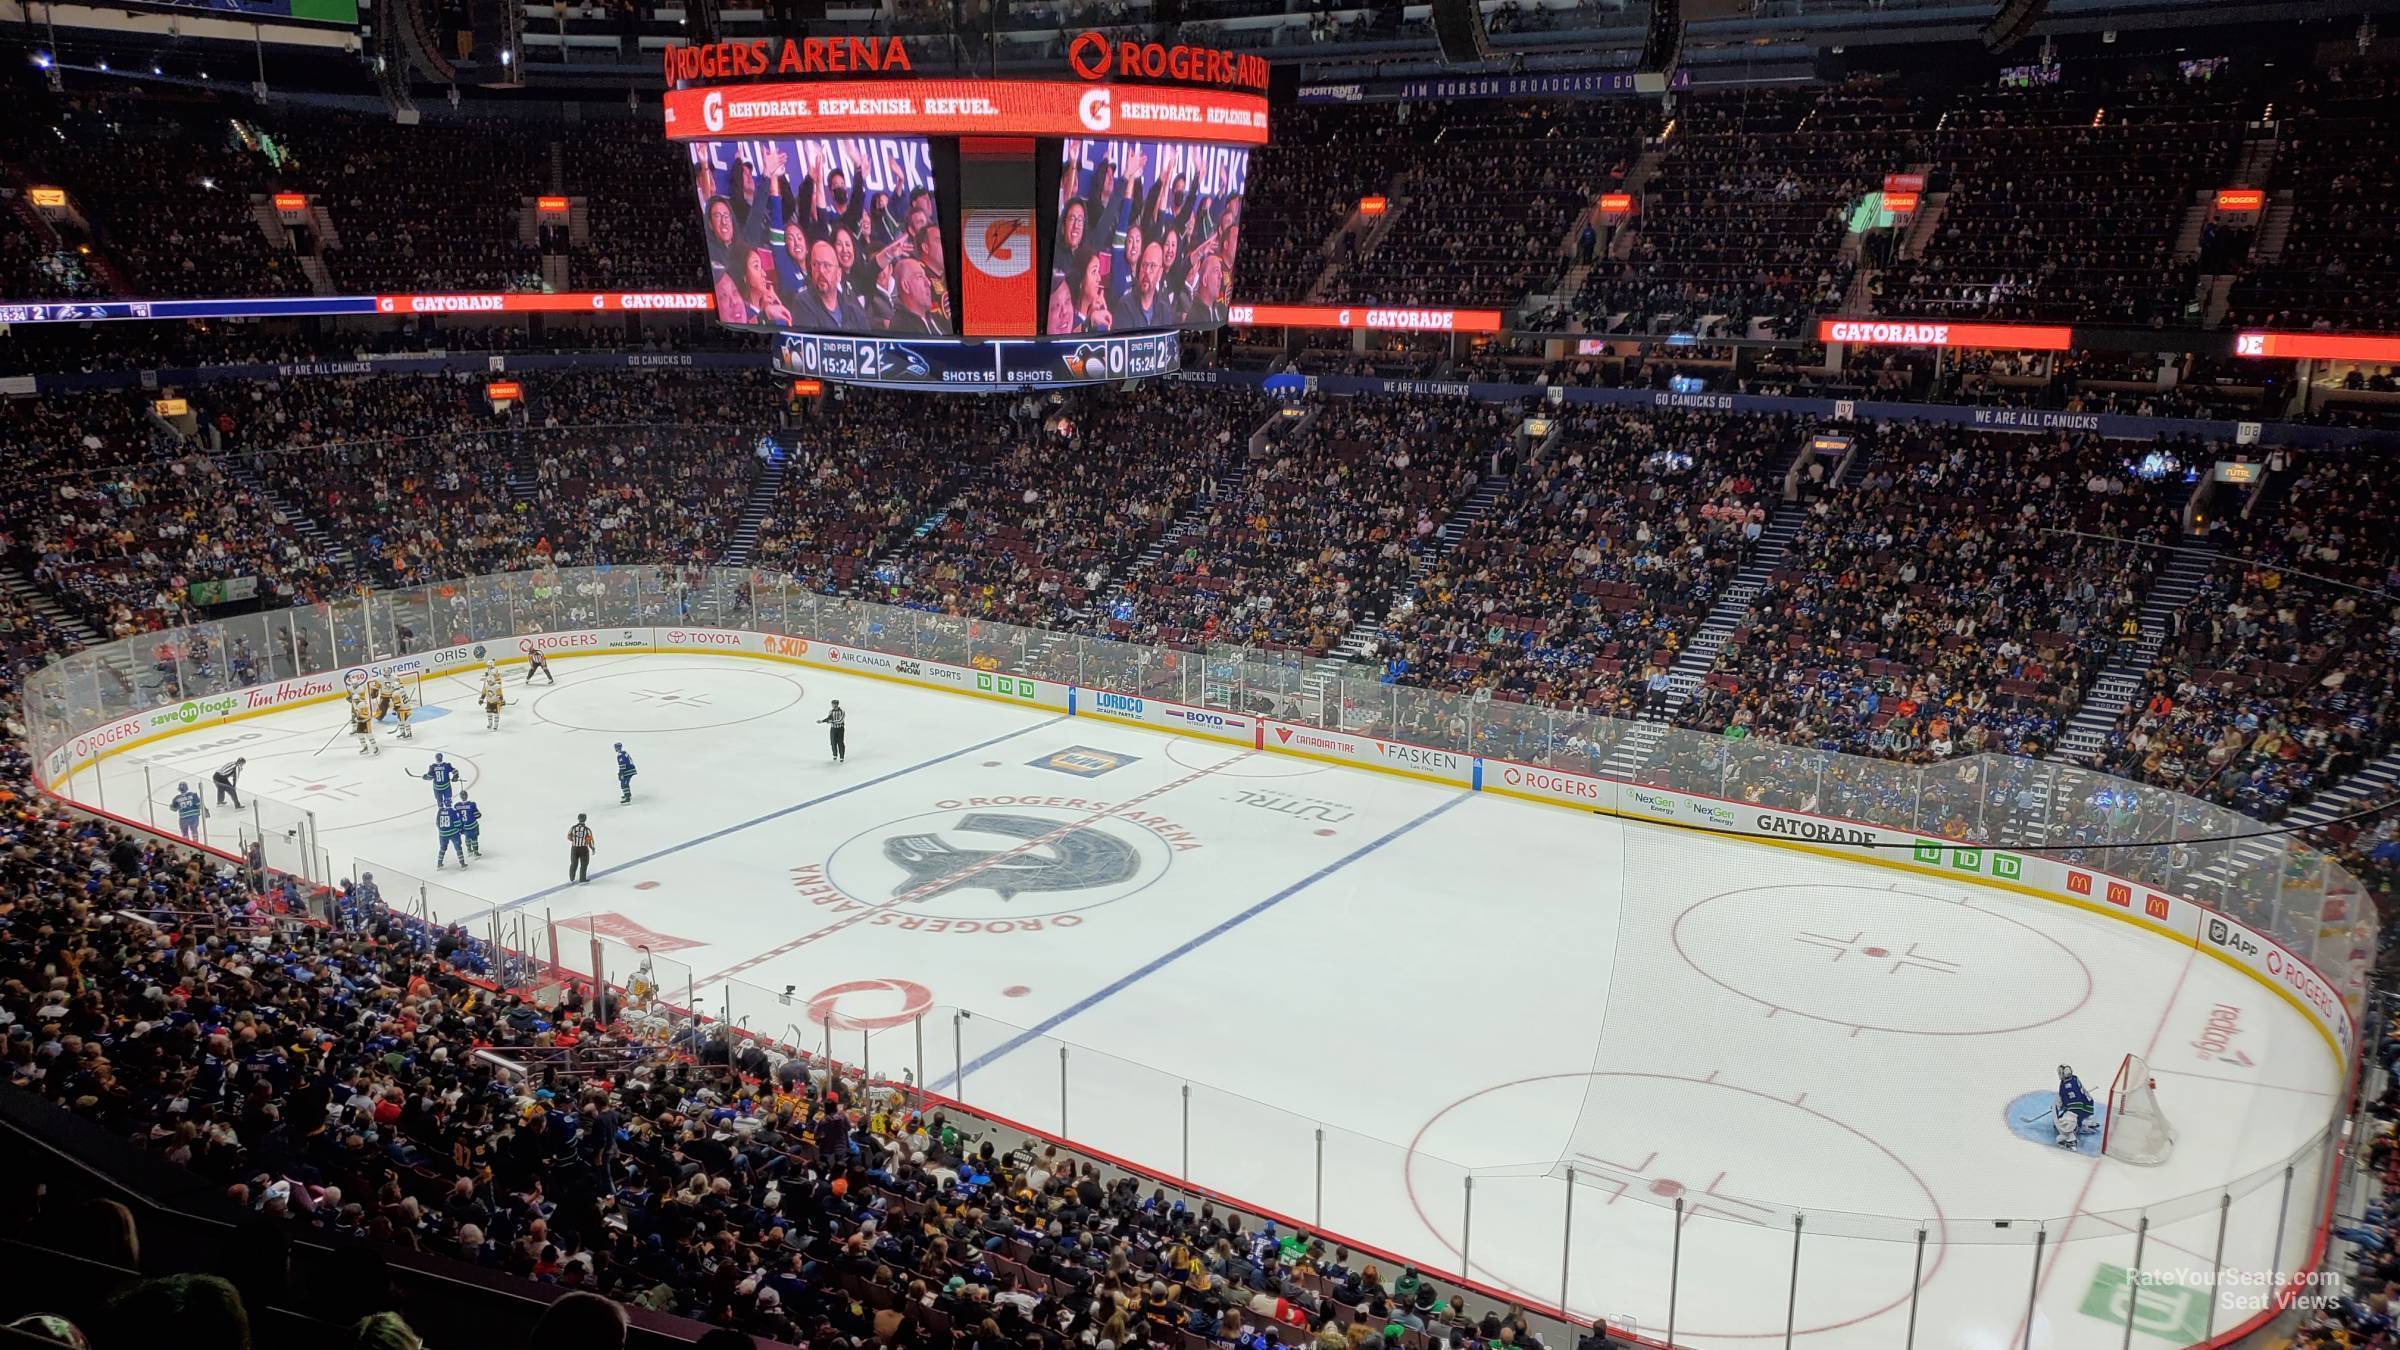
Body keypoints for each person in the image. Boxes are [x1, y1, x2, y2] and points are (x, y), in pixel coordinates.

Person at [792, 238, 867, 331]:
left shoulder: (854, 311)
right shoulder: (803, 303)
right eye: (815, 265)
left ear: (838, 274)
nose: (821, 271)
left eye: (826, 266)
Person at [2054, 1063, 2095, 1147]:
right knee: (2077, 1114)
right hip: (2087, 1107)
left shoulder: (2065, 1085)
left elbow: (2066, 1101)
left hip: (2076, 1108)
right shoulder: (2075, 1078)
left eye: (2060, 1073)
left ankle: (2070, 1139)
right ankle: (2084, 1122)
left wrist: (2058, 1108)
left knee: (2065, 1122)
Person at [436, 800, 469, 870]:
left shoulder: (440, 811)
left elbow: (437, 823)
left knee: (442, 848)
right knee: (458, 848)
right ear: (450, 803)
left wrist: (442, 830)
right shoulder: (452, 811)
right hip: (453, 833)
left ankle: (439, 863)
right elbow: (457, 823)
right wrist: (461, 829)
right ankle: (462, 864)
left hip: (442, 834)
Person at [567, 813, 595, 884]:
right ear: (585, 819)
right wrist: (592, 848)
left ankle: (572, 877)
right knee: (584, 864)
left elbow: (569, 836)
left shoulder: (573, 828)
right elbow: (589, 840)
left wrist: (574, 841)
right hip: (583, 848)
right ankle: (582, 879)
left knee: (574, 863)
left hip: (574, 848)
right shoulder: (587, 829)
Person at [457, 790, 482, 858]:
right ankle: (476, 852)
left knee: (467, 837)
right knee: (474, 838)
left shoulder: (457, 806)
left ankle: (469, 850)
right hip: (473, 825)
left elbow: (457, 817)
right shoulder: (472, 804)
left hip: (465, 826)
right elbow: (478, 815)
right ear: (467, 796)